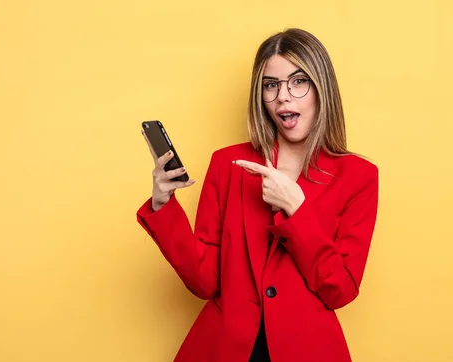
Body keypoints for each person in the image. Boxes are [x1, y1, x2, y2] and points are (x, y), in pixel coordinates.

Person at [137, 28, 379, 362]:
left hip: (307, 350)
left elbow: (340, 289)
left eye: (298, 81)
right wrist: (164, 207)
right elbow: (205, 282)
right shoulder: (227, 164)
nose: (283, 96)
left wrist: (297, 209)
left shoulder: (359, 177)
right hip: (225, 348)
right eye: (271, 85)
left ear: (321, 89)